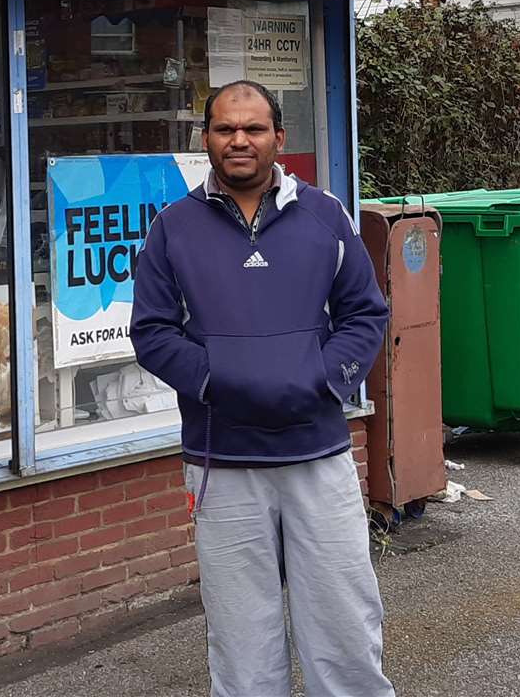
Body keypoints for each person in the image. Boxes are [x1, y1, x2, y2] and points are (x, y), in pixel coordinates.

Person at [130, 79, 394, 697]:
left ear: (279, 137)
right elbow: (153, 331)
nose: (239, 141)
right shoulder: (173, 228)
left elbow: (365, 314)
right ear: (207, 140)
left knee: (346, 630)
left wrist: (325, 380)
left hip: (318, 453)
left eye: (253, 129)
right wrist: (218, 383)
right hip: (222, 460)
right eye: (225, 129)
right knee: (242, 640)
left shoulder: (325, 216)